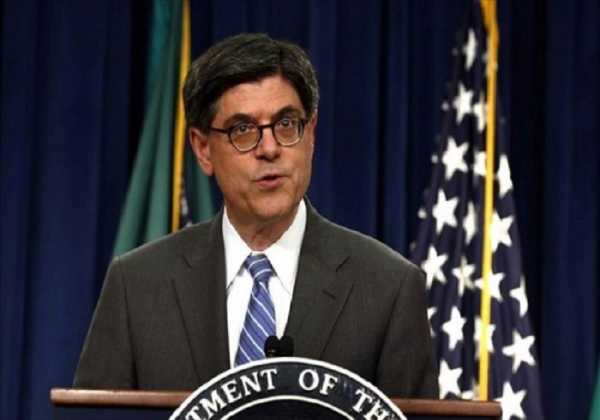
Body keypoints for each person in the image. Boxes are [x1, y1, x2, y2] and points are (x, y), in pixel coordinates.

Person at [74, 33, 438, 398]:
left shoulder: (387, 288)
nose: (270, 148)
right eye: (243, 129)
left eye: (286, 123)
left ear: (311, 133)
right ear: (203, 149)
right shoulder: (137, 286)